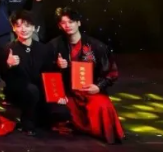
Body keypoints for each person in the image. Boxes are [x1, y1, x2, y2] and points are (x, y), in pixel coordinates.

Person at [49, 7, 124, 144]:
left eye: (71, 22)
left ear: (78, 23)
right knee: (57, 110)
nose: (67, 25)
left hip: (90, 90)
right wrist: (57, 66)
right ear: (59, 26)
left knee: (104, 107)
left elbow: (112, 72)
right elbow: (46, 73)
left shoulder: (97, 46)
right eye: (63, 23)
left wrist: (98, 86)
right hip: (67, 92)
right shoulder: (53, 46)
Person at [0, 10, 64, 136]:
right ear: (13, 28)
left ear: (34, 27)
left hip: (40, 88)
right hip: (18, 89)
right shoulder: (8, 48)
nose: (23, 29)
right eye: (19, 26)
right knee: (31, 90)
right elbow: (4, 76)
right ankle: (27, 121)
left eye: (27, 25)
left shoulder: (44, 48)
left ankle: (39, 117)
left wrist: (60, 66)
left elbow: (49, 73)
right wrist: (9, 65)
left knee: (62, 112)